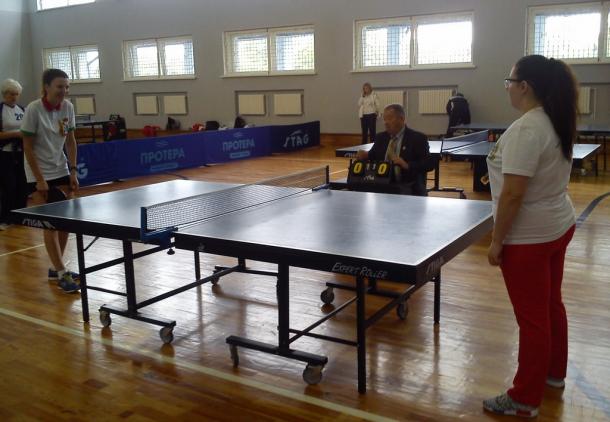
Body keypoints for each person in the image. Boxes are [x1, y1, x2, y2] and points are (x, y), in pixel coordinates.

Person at [483, 55, 578, 418]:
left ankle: (524, 398)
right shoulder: (555, 119)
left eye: (509, 81)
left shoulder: (527, 129)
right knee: (551, 305)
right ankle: (553, 375)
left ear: (525, 87)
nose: (507, 87)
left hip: (529, 238)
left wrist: (497, 241)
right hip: (557, 225)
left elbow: (513, 194)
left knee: (533, 319)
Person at [21, 69, 80, 293]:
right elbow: (27, 147)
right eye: (59, 86)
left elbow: (71, 141)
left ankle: (57, 268)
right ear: (46, 87)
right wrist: (39, 180)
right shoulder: (33, 109)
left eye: (67, 87)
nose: (64, 91)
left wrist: (73, 170)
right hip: (38, 172)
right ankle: (62, 272)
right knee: (51, 223)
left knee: (65, 222)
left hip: (60, 168)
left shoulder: (68, 107)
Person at [356, 103, 434, 196]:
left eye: (389, 118)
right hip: (381, 184)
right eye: (384, 119)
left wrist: (407, 165)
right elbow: (372, 155)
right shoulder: (381, 137)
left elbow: (428, 164)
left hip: (408, 186)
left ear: (401, 119)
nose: (386, 122)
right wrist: (365, 155)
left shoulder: (418, 138)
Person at [0, 79, 27, 230]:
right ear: (4, 94)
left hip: (21, 153)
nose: (14, 97)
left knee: (22, 186)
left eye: (16, 94)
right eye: (11, 94)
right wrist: (16, 134)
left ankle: (20, 216)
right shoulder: (1, 110)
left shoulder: (22, 109)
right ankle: (5, 218)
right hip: (4, 154)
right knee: (9, 186)